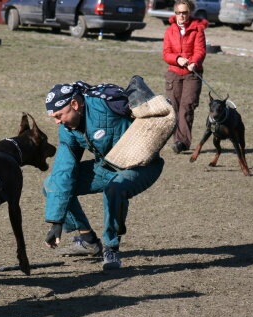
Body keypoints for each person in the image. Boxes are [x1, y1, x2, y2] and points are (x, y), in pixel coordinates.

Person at [42, 81, 165, 270]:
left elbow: (151, 108)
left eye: (59, 115)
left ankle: (111, 248)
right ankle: (88, 240)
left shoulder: (107, 104)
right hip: (108, 166)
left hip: (143, 166)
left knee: (114, 189)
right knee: (51, 184)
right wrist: (56, 221)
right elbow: (63, 171)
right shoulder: (68, 130)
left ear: (74, 105)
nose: (57, 121)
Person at [163, 0, 208, 154]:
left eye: (184, 12)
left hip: (192, 74)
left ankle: (182, 142)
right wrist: (178, 59)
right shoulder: (169, 31)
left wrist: (194, 62)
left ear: (189, 13)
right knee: (174, 108)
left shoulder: (198, 30)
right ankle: (177, 140)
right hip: (174, 73)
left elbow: (200, 50)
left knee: (187, 107)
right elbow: (166, 53)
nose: (181, 15)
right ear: (174, 13)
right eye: (178, 13)